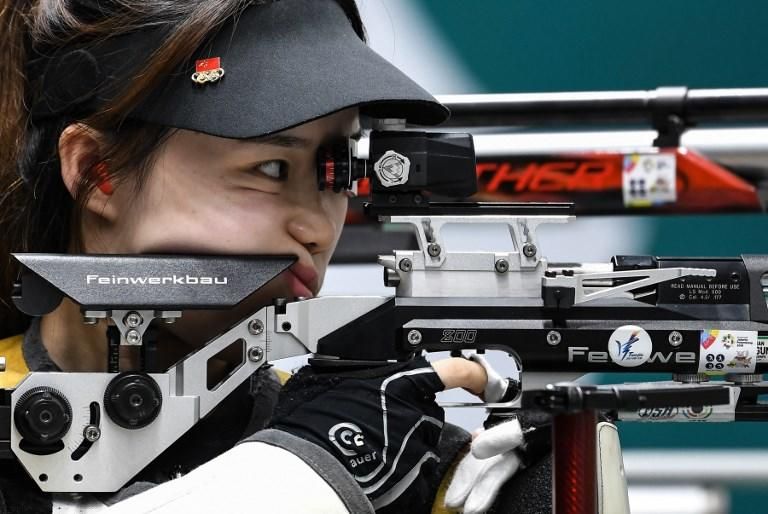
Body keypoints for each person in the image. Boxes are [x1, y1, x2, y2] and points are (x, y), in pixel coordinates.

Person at [0, 1, 554, 512]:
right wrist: (303, 471)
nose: (316, 227)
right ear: (97, 171)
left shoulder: (384, 457)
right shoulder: (333, 453)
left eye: (335, 178)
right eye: (270, 169)